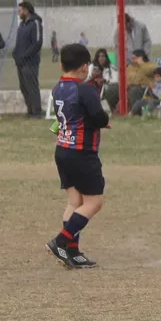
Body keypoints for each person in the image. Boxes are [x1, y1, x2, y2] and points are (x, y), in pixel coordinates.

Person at [45, 43, 110, 269]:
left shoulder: (58, 88)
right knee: (94, 202)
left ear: (62, 65)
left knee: (75, 202)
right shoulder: (85, 89)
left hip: (63, 149)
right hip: (82, 152)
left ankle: (72, 252)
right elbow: (98, 117)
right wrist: (104, 120)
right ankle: (61, 241)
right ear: (85, 67)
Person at [14, 1, 45, 118]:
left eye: (20, 10)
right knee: (23, 86)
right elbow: (19, 42)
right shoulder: (22, 25)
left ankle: (37, 111)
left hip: (30, 61)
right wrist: (16, 54)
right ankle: (30, 110)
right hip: (20, 62)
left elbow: (37, 43)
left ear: (26, 10)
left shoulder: (35, 23)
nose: (19, 12)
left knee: (32, 85)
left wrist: (25, 55)